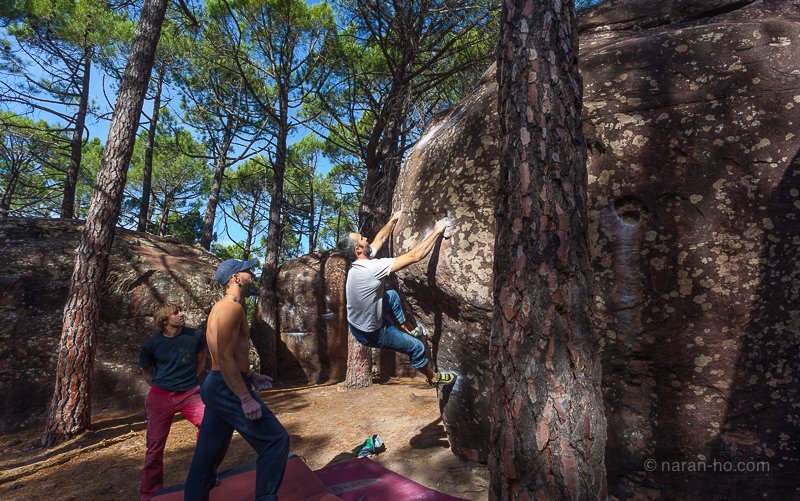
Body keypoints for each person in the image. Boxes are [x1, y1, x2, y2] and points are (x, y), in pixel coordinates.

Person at [185, 259, 289, 501]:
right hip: (226, 387)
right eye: (247, 271)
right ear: (234, 278)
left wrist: (251, 376)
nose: (252, 274)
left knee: (208, 453)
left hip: (219, 383)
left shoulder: (226, 307)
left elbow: (227, 355)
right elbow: (223, 356)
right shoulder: (230, 308)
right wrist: (245, 397)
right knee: (275, 440)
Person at [337, 212, 457, 386]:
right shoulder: (371, 268)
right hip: (371, 333)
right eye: (363, 239)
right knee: (416, 347)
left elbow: (380, 238)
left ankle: (406, 327)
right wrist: (437, 230)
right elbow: (414, 256)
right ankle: (433, 378)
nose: (367, 238)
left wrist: (393, 220)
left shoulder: (358, 263)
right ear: (358, 250)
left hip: (359, 322)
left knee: (392, 296)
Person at [138, 304, 208, 501]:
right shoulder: (151, 345)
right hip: (160, 397)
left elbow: (201, 360)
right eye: (175, 313)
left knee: (209, 425)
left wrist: (189, 382)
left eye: (180, 311)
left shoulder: (195, 336)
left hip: (190, 394)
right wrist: (164, 386)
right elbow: (147, 373)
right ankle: (149, 492)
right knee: (155, 447)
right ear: (164, 321)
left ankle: (203, 477)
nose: (181, 314)